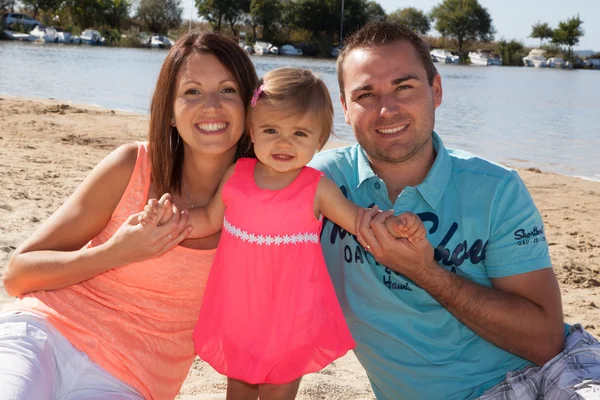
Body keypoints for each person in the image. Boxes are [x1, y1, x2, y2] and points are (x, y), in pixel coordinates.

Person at [309, 21, 600, 400]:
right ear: (345, 109)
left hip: (550, 374)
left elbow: (545, 341)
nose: (387, 109)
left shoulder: (497, 188)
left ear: (436, 90)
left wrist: (423, 270)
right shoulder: (321, 185)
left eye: (404, 87)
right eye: (366, 94)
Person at [139, 67, 428, 400]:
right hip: (240, 310)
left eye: (300, 134)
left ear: (320, 141)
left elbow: (359, 220)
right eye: (271, 129)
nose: (283, 142)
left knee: (280, 388)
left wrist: (392, 225)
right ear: (251, 131)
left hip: (293, 317)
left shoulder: (316, 188)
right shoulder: (238, 175)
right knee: (240, 388)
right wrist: (170, 217)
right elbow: (207, 218)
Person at [0, 30, 258, 400]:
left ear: (250, 105)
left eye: (228, 90)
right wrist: (116, 253)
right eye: (192, 92)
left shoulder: (259, 208)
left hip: (131, 380)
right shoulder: (132, 167)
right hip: (44, 335)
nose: (212, 106)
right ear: (169, 111)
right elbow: (17, 276)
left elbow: (250, 338)